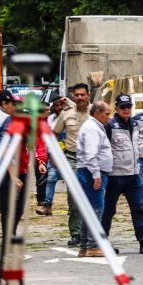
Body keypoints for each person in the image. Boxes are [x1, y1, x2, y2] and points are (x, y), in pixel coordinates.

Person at [0, 90, 47, 264]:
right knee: (8, 209)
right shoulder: (4, 119)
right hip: (3, 170)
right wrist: (13, 175)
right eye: (12, 105)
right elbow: (5, 149)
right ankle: (7, 249)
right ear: (5, 104)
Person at [101, 94, 143, 254]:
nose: (126, 110)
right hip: (115, 175)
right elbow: (104, 149)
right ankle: (102, 242)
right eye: (123, 107)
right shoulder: (110, 126)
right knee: (109, 210)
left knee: (138, 209)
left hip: (133, 174)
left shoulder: (135, 124)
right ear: (116, 108)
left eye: (128, 107)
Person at [52, 84, 91, 247]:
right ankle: (76, 233)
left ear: (88, 95)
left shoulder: (96, 112)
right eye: (77, 95)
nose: (80, 98)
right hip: (73, 158)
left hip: (92, 159)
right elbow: (53, 134)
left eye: (82, 95)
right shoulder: (66, 114)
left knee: (93, 196)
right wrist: (57, 153)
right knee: (74, 195)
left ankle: (92, 232)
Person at [76, 101, 113, 258]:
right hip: (91, 172)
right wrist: (96, 175)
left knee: (90, 208)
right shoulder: (92, 128)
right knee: (96, 209)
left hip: (89, 171)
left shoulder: (94, 126)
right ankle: (93, 244)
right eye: (107, 113)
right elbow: (91, 155)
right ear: (97, 113)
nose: (109, 117)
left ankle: (85, 245)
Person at [37, 95, 67, 216]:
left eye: (61, 104)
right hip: (53, 155)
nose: (59, 107)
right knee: (51, 179)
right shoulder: (50, 120)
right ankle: (47, 206)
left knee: (72, 182)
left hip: (68, 155)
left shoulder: (70, 117)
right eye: (56, 105)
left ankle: (74, 207)